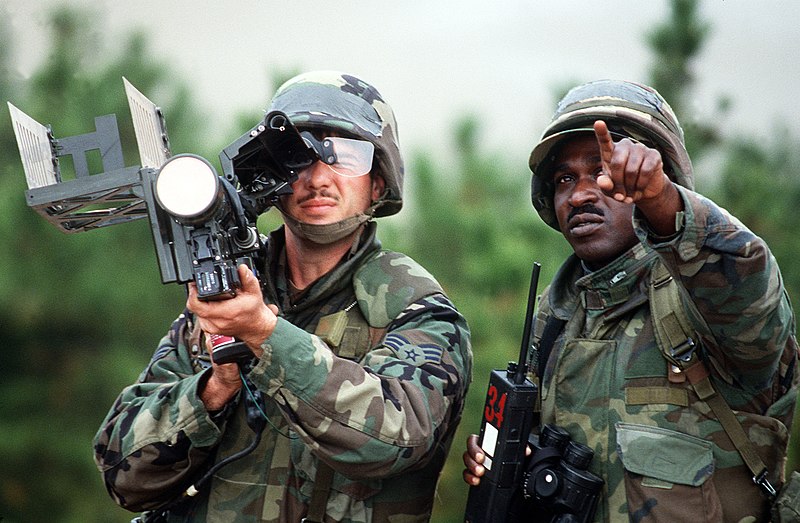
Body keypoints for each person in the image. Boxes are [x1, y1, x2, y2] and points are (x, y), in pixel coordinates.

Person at [94, 70, 472, 523]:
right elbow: (124, 476)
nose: (318, 178)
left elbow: (394, 439)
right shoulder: (227, 295)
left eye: (347, 155)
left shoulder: (415, 309)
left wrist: (264, 335)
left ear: (378, 183)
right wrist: (214, 390)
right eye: (299, 156)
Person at [462, 79, 799, 522]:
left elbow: (747, 276)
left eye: (605, 172)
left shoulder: (702, 298)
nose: (581, 194)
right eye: (565, 178)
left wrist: (662, 200)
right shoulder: (556, 316)